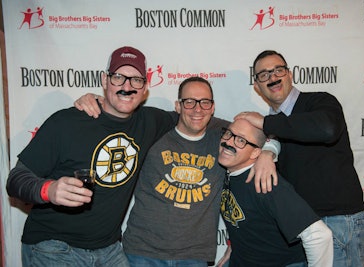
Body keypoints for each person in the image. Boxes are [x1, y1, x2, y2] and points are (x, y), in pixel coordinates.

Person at [76, 77, 279, 266]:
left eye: (204, 102)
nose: (197, 110)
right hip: (142, 252)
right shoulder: (153, 131)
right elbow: (116, 117)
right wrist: (94, 101)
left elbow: (271, 134)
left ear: (212, 107)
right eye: (189, 102)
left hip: (194, 257)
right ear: (178, 106)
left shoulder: (225, 139)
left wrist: (268, 152)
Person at [6, 46, 178, 266]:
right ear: (104, 81)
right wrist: (48, 190)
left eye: (136, 80)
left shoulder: (150, 121)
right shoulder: (66, 122)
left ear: (145, 88)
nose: (127, 86)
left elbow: (194, 117)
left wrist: (235, 124)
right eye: (118, 77)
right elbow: (16, 180)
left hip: (109, 248)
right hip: (54, 246)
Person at [236, 50, 364, 266]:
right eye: (264, 74)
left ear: (289, 74)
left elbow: (326, 129)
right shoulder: (270, 126)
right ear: (257, 87)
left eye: (278, 70)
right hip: (300, 230)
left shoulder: (319, 101)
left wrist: (266, 124)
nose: (272, 77)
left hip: (336, 222)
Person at [216, 118, 333, 267]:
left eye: (241, 140)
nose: (229, 142)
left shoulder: (266, 183)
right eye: (228, 134)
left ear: (256, 152)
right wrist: (234, 246)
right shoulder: (231, 173)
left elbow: (319, 235)